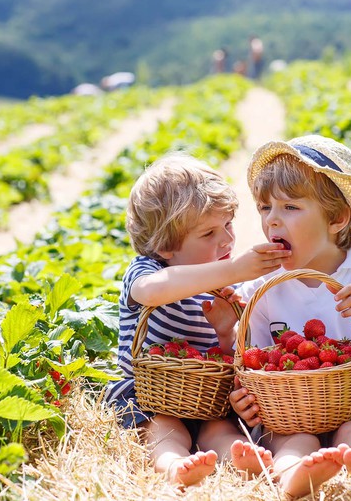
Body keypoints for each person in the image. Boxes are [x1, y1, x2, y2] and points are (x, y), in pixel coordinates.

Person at [229, 135, 351, 497]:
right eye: (265, 207)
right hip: (287, 412)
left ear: (338, 218)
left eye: (290, 207)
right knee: (292, 440)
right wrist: (244, 396)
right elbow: (252, 368)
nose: (272, 220)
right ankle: (291, 475)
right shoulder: (262, 288)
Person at [103, 153, 291, 487]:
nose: (227, 240)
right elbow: (150, 291)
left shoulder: (223, 286)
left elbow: (224, 356)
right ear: (165, 246)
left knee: (219, 429)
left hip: (205, 400)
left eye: (228, 225)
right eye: (208, 234)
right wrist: (232, 269)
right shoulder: (148, 271)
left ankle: (241, 458)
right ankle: (174, 464)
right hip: (150, 395)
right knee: (164, 428)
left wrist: (224, 332)